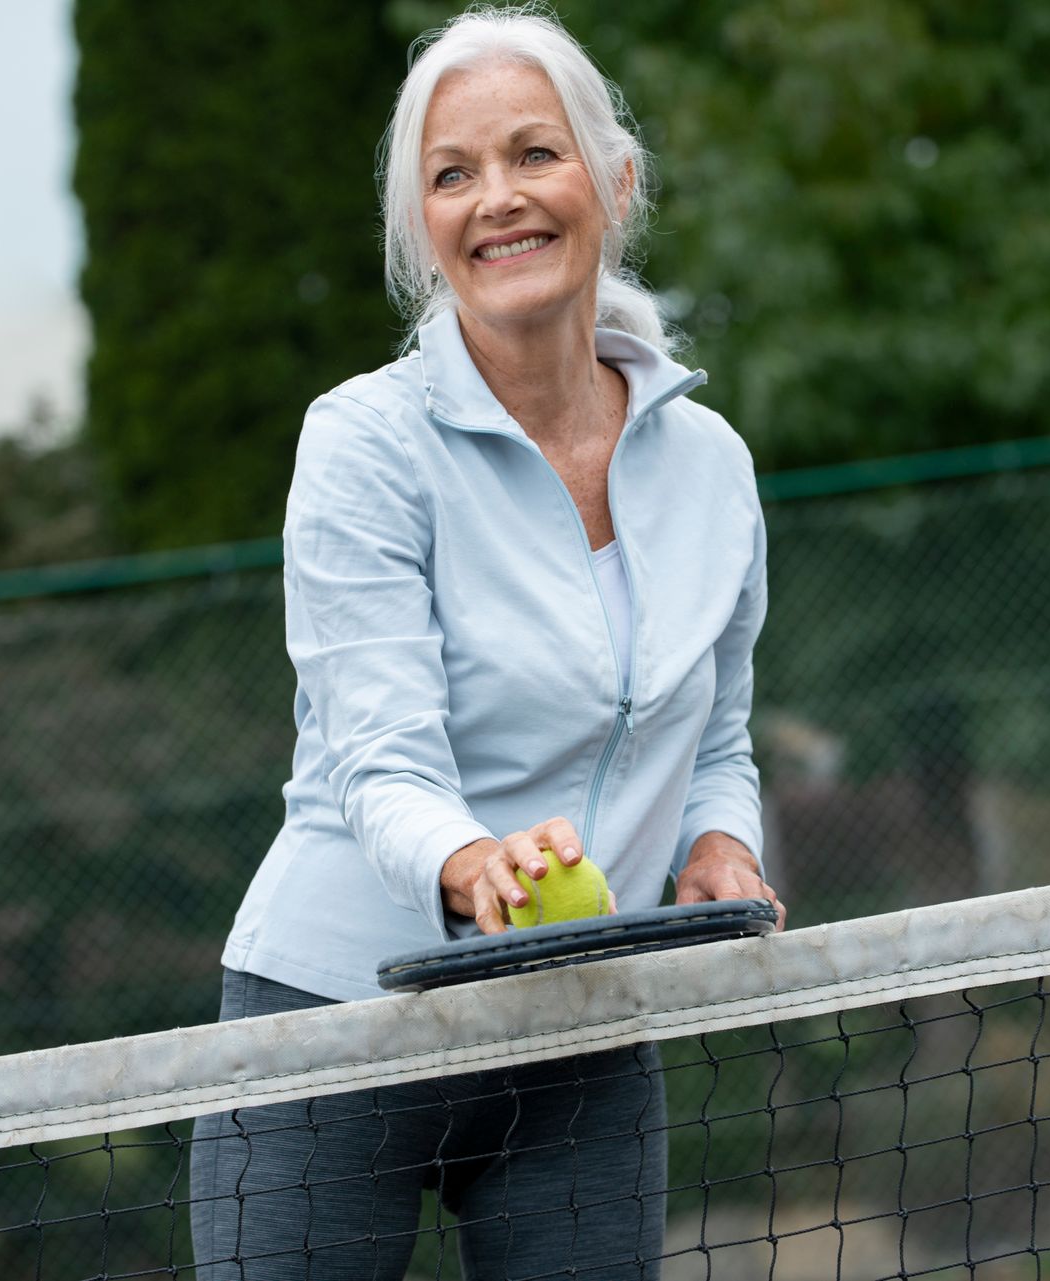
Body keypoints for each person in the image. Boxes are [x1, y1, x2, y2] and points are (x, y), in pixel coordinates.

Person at [191, 6, 781, 1277]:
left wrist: (721, 846)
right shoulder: (361, 443)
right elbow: (380, 763)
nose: (497, 200)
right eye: (452, 176)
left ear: (614, 185)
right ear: (424, 233)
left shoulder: (714, 467)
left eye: (534, 154)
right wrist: (475, 864)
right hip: (335, 1027)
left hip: (580, 1036)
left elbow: (717, 736)